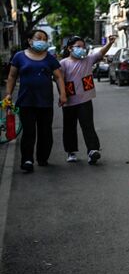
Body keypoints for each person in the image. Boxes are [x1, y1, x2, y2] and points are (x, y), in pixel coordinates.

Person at [3, 29, 67, 172]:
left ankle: (43, 158)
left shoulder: (49, 58)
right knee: (29, 132)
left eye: (44, 38)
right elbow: (12, 76)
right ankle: (27, 160)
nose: (42, 41)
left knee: (45, 132)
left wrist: (63, 94)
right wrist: (8, 94)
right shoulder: (19, 57)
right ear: (30, 40)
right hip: (26, 101)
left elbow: (58, 76)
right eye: (39, 38)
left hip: (45, 101)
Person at [60, 35, 116, 164]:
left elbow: (101, 52)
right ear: (70, 48)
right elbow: (59, 80)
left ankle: (93, 151)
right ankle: (71, 151)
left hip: (85, 99)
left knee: (88, 125)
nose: (82, 49)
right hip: (69, 101)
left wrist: (109, 43)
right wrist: (62, 95)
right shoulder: (63, 63)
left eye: (83, 47)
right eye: (78, 47)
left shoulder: (88, 60)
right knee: (69, 127)